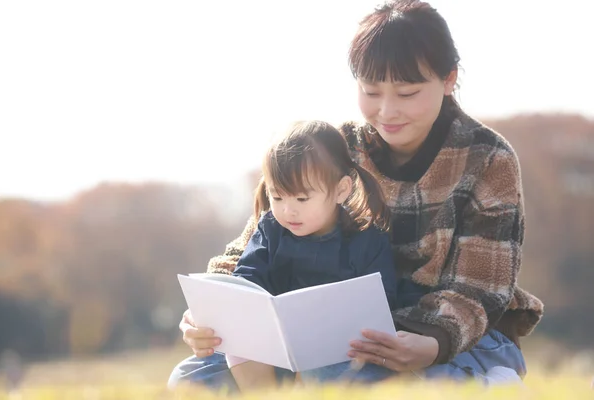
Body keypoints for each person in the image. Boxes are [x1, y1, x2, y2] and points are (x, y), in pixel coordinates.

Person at [168, 0, 543, 391]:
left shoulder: (487, 158)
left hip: (452, 336)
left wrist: (431, 343)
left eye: (407, 92)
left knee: (334, 373)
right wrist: (211, 309)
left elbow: (480, 287)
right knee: (192, 381)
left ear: (449, 80)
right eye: (370, 91)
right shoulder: (335, 147)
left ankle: (487, 384)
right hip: (332, 337)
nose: (386, 111)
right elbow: (256, 240)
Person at [224, 120, 398, 391]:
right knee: (223, 356)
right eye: (277, 198)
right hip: (278, 346)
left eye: (302, 199)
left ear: (341, 190)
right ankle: (264, 394)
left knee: (332, 372)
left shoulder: (367, 238)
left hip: (338, 349)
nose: (288, 211)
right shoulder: (270, 229)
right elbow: (247, 277)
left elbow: (383, 299)